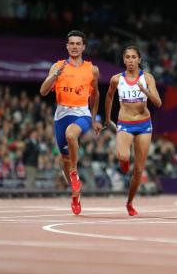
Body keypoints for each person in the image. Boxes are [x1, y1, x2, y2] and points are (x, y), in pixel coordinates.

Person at [40, 30, 102, 215]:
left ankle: (75, 173)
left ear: (83, 47)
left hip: (81, 113)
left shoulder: (92, 69)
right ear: (67, 46)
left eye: (78, 44)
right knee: (65, 159)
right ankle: (75, 194)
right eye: (71, 43)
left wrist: (94, 118)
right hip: (61, 115)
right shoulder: (57, 66)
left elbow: (96, 94)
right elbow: (43, 91)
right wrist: (53, 77)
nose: (74, 47)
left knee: (71, 134)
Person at [104, 45, 161, 216]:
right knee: (123, 156)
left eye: (133, 57)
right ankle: (124, 161)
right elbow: (109, 96)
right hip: (125, 123)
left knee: (138, 170)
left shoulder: (147, 78)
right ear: (124, 60)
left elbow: (158, 103)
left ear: (139, 60)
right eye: (127, 57)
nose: (130, 60)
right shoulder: (116, 79)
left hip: (144, 124)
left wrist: (146, 92)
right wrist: (107, 118)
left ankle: (129, 203)